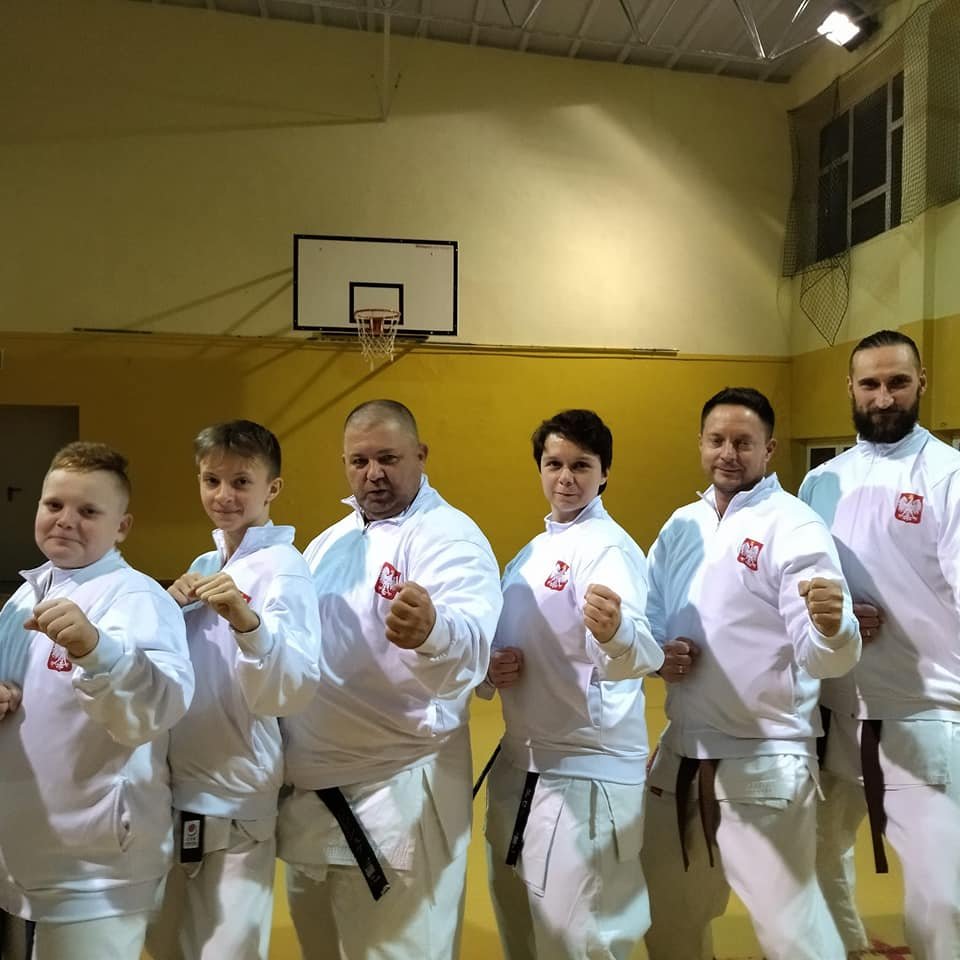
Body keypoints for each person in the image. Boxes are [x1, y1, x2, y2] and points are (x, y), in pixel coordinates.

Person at [277, 399, 502, 960]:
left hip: (395, 795)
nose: (373, 474)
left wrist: (434, 631)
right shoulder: (327, 543)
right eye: (359, 461)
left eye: (388, 458)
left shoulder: (448, 536)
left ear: (420, 456)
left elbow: (473, 645)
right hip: (311, 794)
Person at [640, 387, 860, 960]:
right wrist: (660, 651)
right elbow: (651, 614)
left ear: (769, 449)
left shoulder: (794, 525)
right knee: (668, 918)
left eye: (743, 442)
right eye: (717, 440)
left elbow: (825, 656)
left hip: (765, 761)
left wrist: (833, 628)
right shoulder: (682, 525)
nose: (728, 453)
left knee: (791, 933)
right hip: (682, 752)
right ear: (700, 444)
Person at [799, 330, 960, 960]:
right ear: (850, 388)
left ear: (922, 383)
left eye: (898, 382)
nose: (884, 397)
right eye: (870, 383)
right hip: (837, 710)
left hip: (925, 713)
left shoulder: (948, 476)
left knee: (940, 893)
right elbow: (799, 585)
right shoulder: (821, 482)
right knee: (815, 857)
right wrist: (834, 618)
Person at [481, 409, 664, 960]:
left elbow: (641, 651)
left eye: (581, 465)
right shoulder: (531, 553)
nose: (566, 477)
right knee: (522, 931)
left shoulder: (609, 549)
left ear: (604, 473)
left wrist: (615, 632)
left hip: (587, 775)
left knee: (581, 942)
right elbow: (505, 641)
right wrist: (492, 667)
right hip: (521, 764)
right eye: (554, 464)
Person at [0, 442, 193, 960]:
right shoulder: (27, 594)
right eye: (54, 504)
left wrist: (97, 651)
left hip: (98, 870)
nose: (66, 520)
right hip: (28, 855)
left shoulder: (135, 597)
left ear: (122, 527)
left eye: (88, 511)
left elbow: (159, 707)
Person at [145, 420, 323, 960]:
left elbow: (293, 688)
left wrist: (249, 623)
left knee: (228, 951)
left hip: (239, 794)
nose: (224, 495)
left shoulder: (285, 569)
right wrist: (165, 611)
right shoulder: (205, 566)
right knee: (167, 946)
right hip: (178, 787)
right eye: (211, 480)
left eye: (241, 481)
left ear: (272, 488)